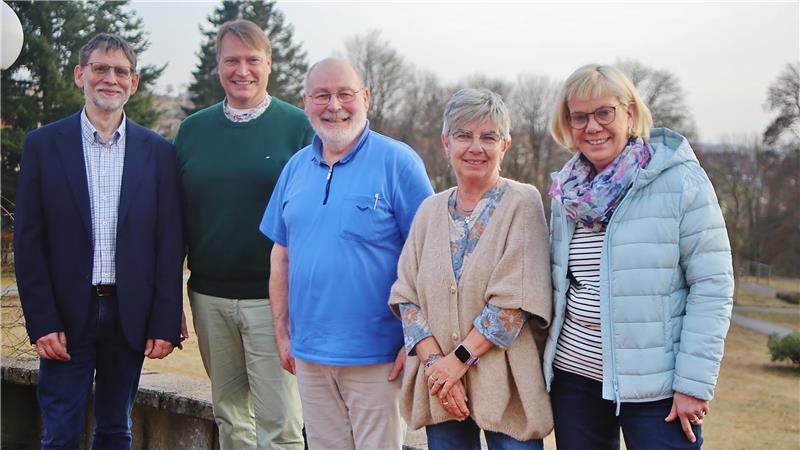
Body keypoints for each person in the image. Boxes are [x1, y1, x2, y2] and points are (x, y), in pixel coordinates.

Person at [543, 63, 734, 450]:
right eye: (579, 116)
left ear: (630, 113)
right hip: (575, 380)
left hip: (656, 389)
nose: (592, 126)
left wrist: (694, 385)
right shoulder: (566, 193)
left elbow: (712, 285)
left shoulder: (680, 181)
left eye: (604, 112)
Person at [13, 33, 183, 449]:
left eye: (121, 71)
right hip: (67, 317)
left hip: (130, 316)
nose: (111, 78)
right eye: (100, 69)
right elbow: (29, 242)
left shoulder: (158, 152)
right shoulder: (42, 145)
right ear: (80, 75)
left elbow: (168, 242)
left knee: (115, 429)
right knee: (60, 433)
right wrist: (42, 319)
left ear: (134, 81)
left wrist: (165, 318)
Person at [259, 57, 434, 450]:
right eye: (322, 96)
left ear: (366, 98)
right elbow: (281, 256)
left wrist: (415, 341)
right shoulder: (294, 168)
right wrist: (283, 333)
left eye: (345, 94)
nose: (334, 105)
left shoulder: (398, 162)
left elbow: (428, 257)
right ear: (306, 103)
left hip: (378, 357)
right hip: (310, 354)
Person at [388, 88, 554, 450]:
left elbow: (515, 303)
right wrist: (437, 368)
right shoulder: (429, 211)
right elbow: (407, 298)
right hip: (441, 390)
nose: (475, 147)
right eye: (464, 135)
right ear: (446, 143)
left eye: (488, 137)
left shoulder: (522, 202)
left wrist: (457, 362)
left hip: (506, 387)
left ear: (505, 145)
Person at [173, 19, 311, 450]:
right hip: (209, 297)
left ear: (269, 63)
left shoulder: (298, 127)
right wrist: (169, 299)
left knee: (282, 423)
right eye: (232, 60)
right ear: (218, 67)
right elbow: (177, 218)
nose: (243, 70)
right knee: (230, 417)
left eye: (253, 59)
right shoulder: (193, 131)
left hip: (273, 301)